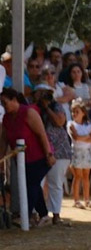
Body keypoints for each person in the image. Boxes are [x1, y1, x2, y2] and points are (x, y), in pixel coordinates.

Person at [2, 88, 55, 226]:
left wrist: (48, 155)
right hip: (22, 160)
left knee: (31, 185)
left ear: (14, 100)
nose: (4, 106)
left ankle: (27, 215)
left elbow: (42, 135)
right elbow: (4, 141)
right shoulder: (7, 119)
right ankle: (43, 215)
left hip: (39, 157)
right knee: (33, 185)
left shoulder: (28, 113)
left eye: (5, 102)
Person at [34, 88, 71, 225]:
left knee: (55, 183)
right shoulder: (34, 109)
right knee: (37, 183)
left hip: (59, 150)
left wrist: (47, 108)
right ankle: (38, 213)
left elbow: (59, 122)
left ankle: (56, 214)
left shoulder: (57, 106)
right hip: (40, 150)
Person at [68, 100, 91, 209]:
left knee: (85, 176)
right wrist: (86, 137)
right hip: (77, 152)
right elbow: (76, 137)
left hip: (87, 152)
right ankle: (76, 200)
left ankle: (87, 200)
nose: (74, 114)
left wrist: (82, 138)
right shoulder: (71, 124)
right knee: (78, 176)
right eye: (73, 112)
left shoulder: (88, 125)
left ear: (83, 113)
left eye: (77, 112)